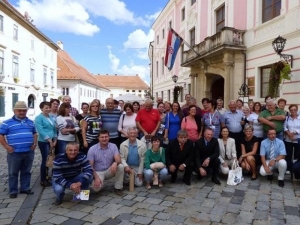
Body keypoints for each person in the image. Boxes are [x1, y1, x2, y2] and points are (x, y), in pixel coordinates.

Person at [0, 101, 37, 198]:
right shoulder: (7, 123)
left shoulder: (30, 122)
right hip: (14, 152)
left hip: (28, 151)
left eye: (24, 111)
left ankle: (25, 188)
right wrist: (7, 147)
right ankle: (13, 190)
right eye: (19, 110)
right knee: (13, 172)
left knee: (26, 171)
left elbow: (34, 133)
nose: (22, 112)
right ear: (14, 111)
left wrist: (34, 143)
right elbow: (1, 135)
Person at [87, 130, 124, 196]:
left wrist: (115, 163)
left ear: (109, 137)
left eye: (106, 137)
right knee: (96, 189)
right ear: (98, 138)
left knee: (120, 166)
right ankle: (98, 183)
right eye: (102, 137)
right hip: (98, 172)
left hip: (109, 170)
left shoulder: (113, 146)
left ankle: (118, 188)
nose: (104, 139)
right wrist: (96, 178)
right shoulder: (92, 149)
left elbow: (118, 159)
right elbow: (90, 166)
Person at [34, 101, 57, 187]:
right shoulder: (38, 118)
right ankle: (43, 179)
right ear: (41, 108)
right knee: (45, 160)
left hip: (52, 141)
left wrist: (55, 139)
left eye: (49, 107)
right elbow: (41, 131)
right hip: (44, 142)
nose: (48, 109)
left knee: (50, 159)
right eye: (46, 108)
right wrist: (49, 140)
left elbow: (54, 129)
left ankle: (47, 177)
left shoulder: (51, 117)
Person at [283, 104, 300, 175]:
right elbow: (284, 127)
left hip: (297, 139)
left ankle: (295, 169)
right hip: (288, 139)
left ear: (297, 110)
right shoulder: (287, 118)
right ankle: (288, 168)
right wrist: (289, 134)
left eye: (294, 110)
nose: (293, 111)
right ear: (289, 111)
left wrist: (294, 133)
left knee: (297, 154)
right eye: (291, 110)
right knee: (288, 155)